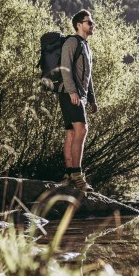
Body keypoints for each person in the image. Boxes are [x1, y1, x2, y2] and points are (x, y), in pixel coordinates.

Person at [58, 10, 98, 192]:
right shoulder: (71, 42)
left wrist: (91, 99)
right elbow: (65, 68)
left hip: (78, 95)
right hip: (69, 94)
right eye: (89, 22)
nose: (92, 25)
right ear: (79, 25)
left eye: (92, 22)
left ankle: (68, 175)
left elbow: (88, 76)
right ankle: (77, 176)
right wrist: (72, 91)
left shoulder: (86, 46)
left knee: (72, 133)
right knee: (82, 130)